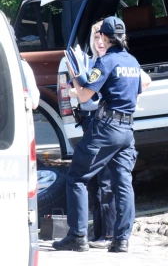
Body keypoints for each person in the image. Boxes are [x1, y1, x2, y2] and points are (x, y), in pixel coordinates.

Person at [53, 16, 142, 253]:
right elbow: (137, 92)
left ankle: (77, 236)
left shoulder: (107, 61)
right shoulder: (133, 62)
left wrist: (75, 73)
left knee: (76, 177)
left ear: (103, 37)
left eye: (100, 35)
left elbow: (84, 97)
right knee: (124, 183)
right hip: (127, 131)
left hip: (106, 129)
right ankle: (121, 240)